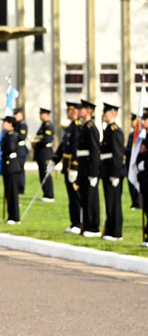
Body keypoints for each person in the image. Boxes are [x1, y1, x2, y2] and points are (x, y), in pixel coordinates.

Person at [74, 99, 101, 237]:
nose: (79, 111)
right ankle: (87, 225)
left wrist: (94, 173)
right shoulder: (84, 126)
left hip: (89, 169)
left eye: (81, 109)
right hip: (83, 168)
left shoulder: (91, 128)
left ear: (88, 111)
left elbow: (95, 152)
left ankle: (93, 227)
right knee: (85, 199)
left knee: (91, 200)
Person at [54, 101, 82, 233]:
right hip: (67, 166)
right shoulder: (70, 127)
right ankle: (74, 222)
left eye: (69, 110)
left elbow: (76, 149)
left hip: (73, 167)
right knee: (71, 197)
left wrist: (75, 167)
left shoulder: (78, 127)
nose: (67, 113)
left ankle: (79, 223)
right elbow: (63, 146)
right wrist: (54, 160)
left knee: (77, 197)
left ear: (75, 111)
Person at [99, 104, 124, 241]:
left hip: (112, 172)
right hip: (106, 170)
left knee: (114, 202)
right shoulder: (108, 129)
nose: (104, 114)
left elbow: (117, 154)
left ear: (113, 113)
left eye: (106, 112)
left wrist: (115, 174)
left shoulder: (115, 130)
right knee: (109, 202)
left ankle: (116, 232)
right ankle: (110, 230)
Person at [0, 115, 23, 224]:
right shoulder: (6, 135)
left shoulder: (12, 135)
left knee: (13, 193)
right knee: (9, 193)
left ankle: (15, 217)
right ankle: (11, 216)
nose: (2, 124)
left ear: (10, 124)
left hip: (12, 166)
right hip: (7, 166)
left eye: (4, 122)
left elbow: (11, 148)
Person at [31, 107, 55, 202]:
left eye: (42, 114)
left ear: (47, 115)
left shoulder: (48, 125)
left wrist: (37, 143)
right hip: (41, 152)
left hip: (46, 152)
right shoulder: (43, 125)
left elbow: (46, 139)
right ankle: (45, 193)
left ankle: (50, 195)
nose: (40, 116)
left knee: (46, 173)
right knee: (42, 173)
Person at [136, 109, 148, 247]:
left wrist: (144, 164)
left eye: (145, 119)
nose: (143, 121)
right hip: (144, 179)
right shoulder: (145, 137)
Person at [125, 113, 140, 210]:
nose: (131, 122)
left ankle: (138, 203)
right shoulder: (132, 134)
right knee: (130, 184)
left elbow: (133, 149)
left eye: (133, 120)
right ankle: (134, 202)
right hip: (129, 162)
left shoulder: (139, 134)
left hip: (136, 163)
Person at [13, 107, 29, 194]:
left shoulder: (22, 125)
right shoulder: (14, 124)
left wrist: (13, 135)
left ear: (21, 115)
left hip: (20, 150)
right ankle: (16, 187)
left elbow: (21, 137)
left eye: (17, 114)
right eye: (14, 114)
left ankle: (20, 188)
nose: (15, 116)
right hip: (15, 149)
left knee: (20, 170)